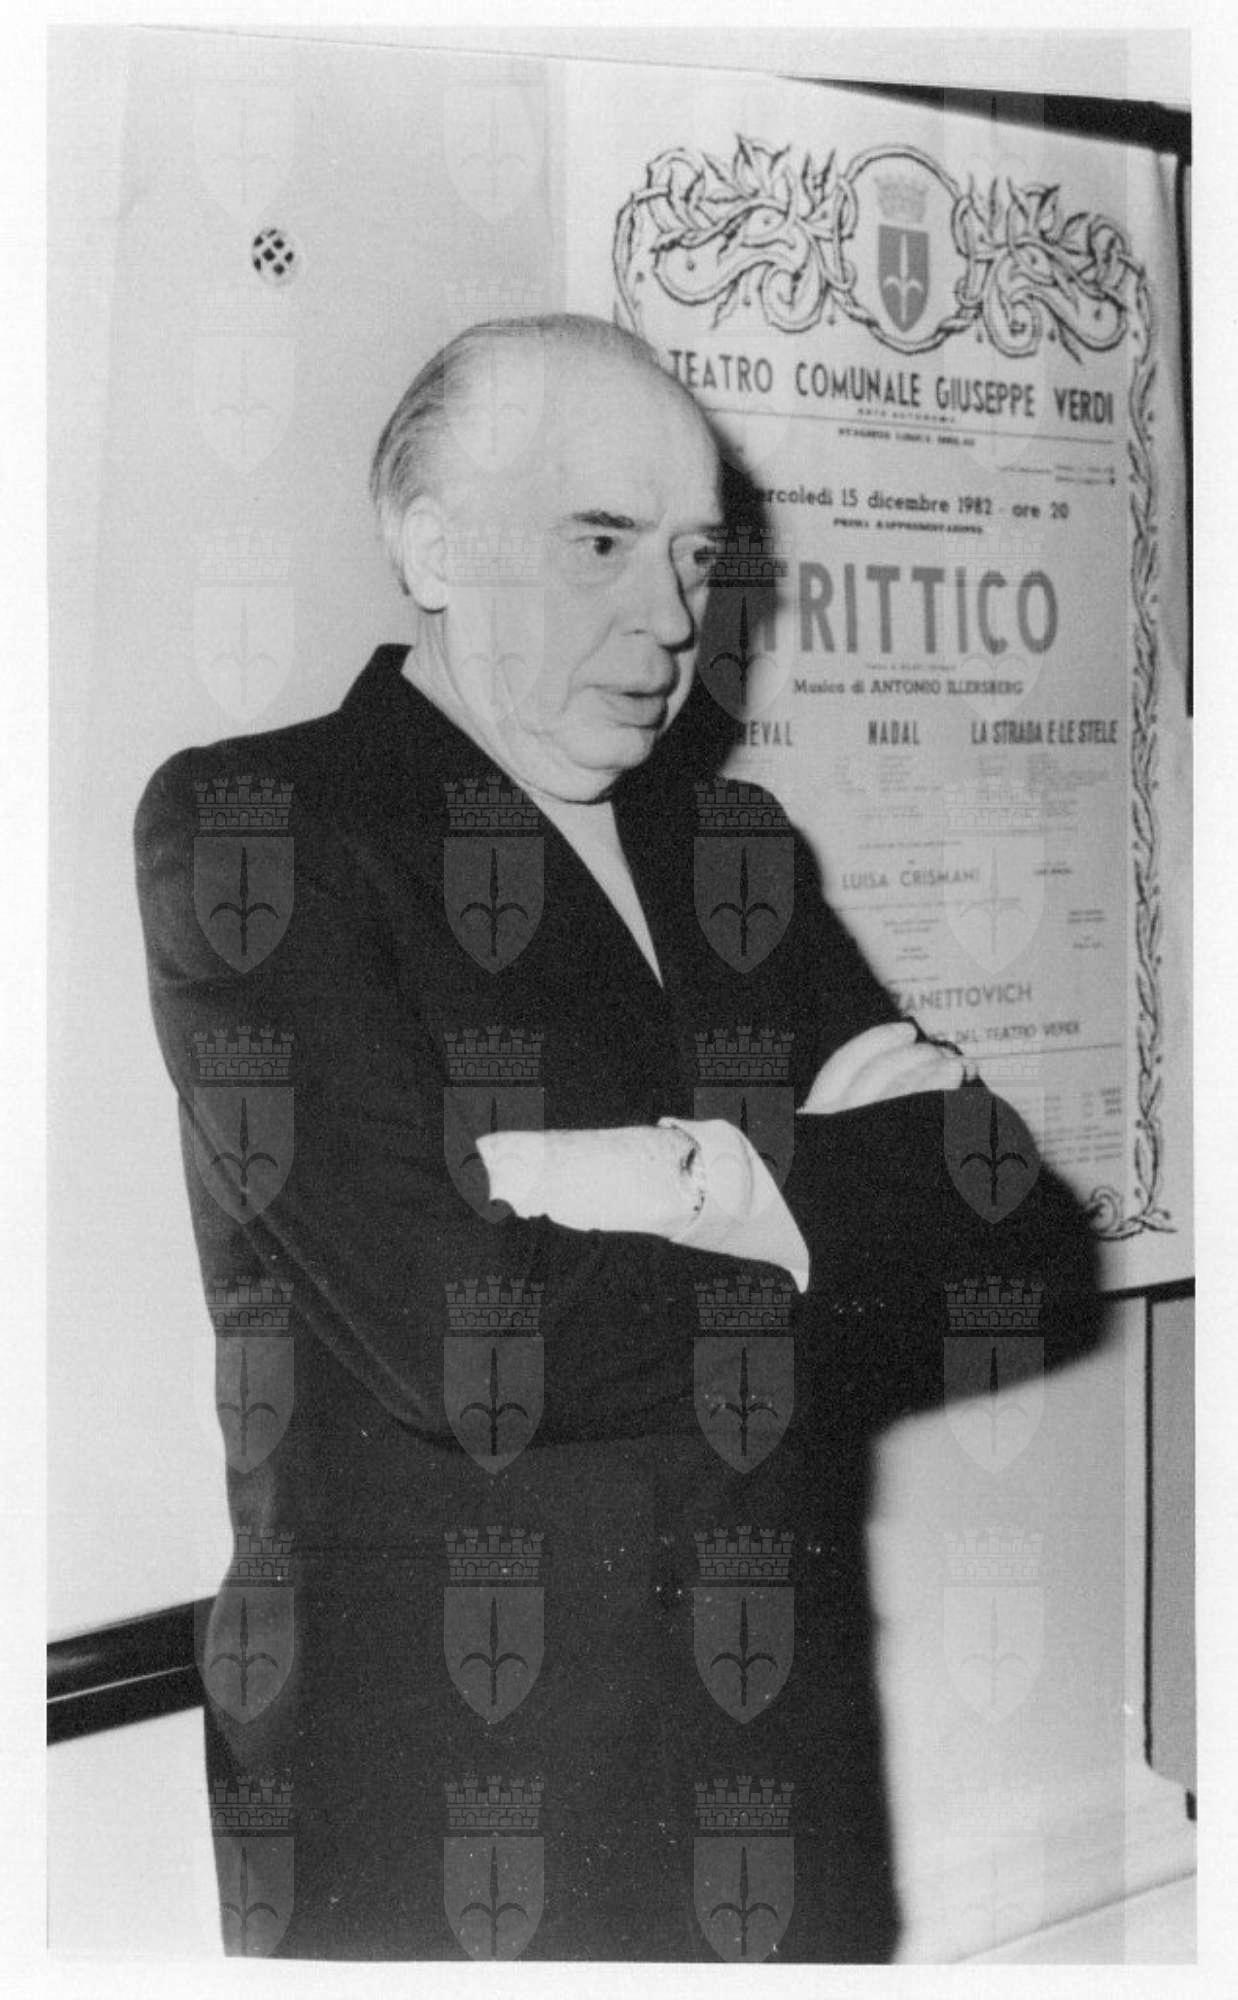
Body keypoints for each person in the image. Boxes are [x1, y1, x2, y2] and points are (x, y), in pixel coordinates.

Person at [135, 313, 1098, 1961]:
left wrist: (670, 1179)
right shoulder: (262, 827)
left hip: (777, 1771)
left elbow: (1008, 1226)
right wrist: (822, 1192)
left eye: (694, 556)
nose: (669, 618)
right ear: (429, 545)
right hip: (443, 1806)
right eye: (599, 542)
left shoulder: (732, 840)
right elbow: (466, 1343)